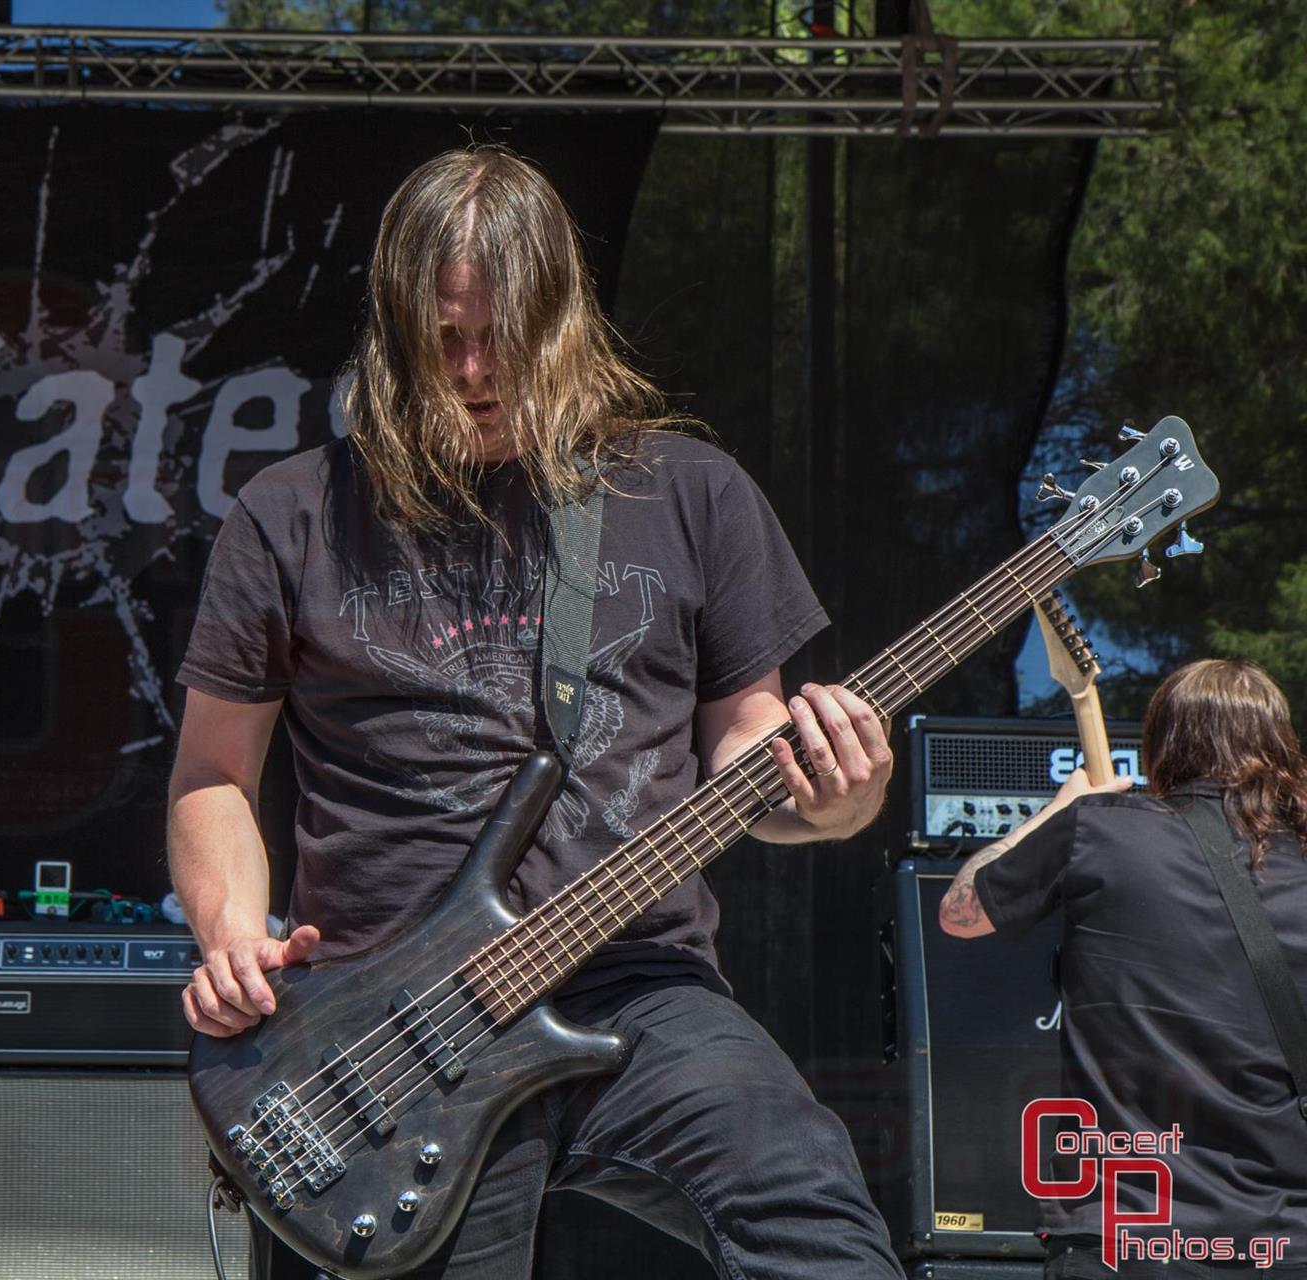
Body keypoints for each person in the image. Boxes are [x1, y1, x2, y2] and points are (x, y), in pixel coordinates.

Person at [168, 146, 904, 1279]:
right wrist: (232, 940)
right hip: (390, 1023)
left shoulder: (688, 491)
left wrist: (834, 796)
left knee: (807, 1197)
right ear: (395, 329)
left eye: (499, 334)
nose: (472, 368)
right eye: (442, 337)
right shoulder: (292, 512)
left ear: (564, 319)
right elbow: (215, 772)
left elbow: (748, 751)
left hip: (639, 985)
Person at [940, 659, 1307, 1278]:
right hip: (1286, 1244)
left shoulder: (1098, 831)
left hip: (1128, 1239)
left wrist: (1061, 812)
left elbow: (961, 913)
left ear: (1163, 744)